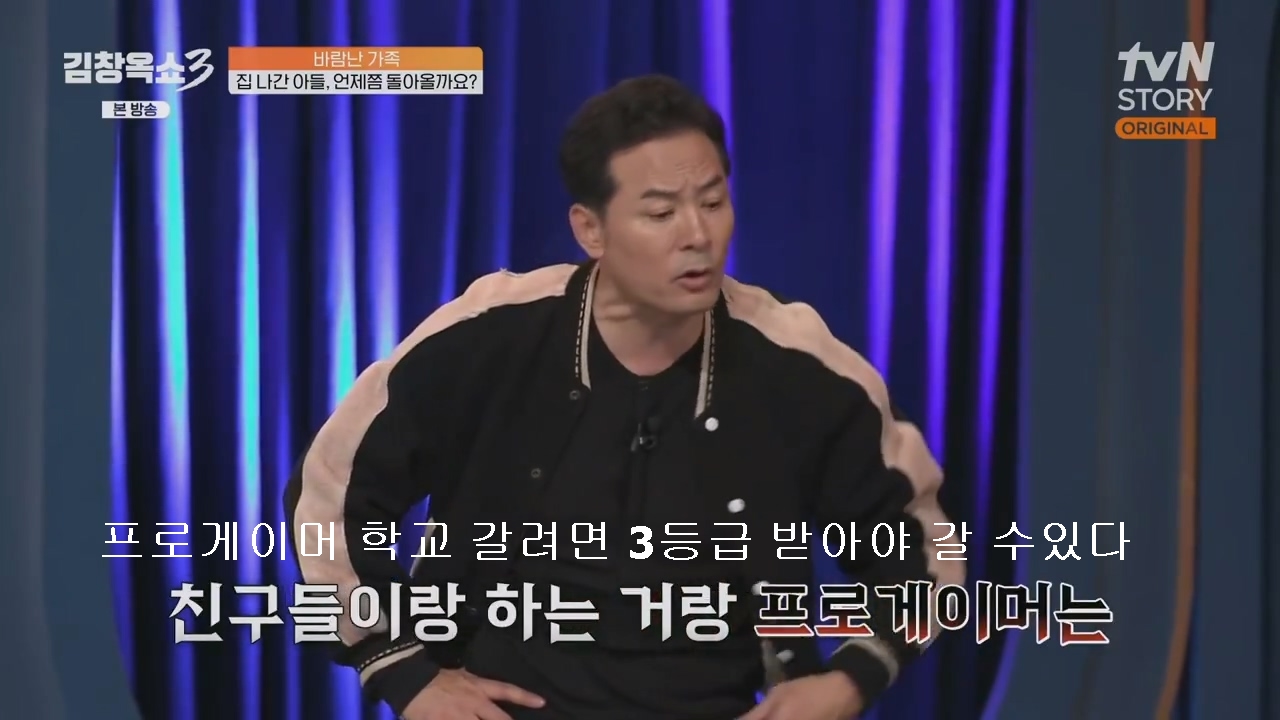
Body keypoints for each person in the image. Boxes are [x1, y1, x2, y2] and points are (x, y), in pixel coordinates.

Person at [284, 74, 963, 720]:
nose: (697, 235)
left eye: (713, 202)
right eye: (661, 212)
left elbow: (928, 551)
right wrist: (404, 671)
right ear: (591, 229)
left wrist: (851, 678)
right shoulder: (487, 335)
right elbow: (328, 498)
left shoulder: (799, 365)